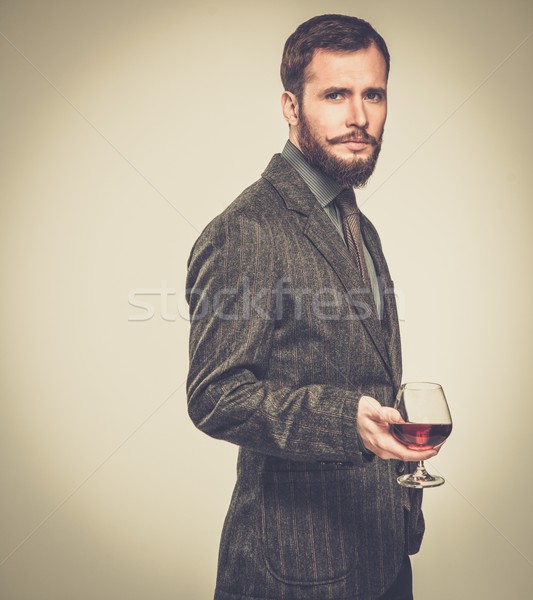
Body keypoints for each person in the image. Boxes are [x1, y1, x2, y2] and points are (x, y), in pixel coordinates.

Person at [186, 14, 441, 600]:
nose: (359, 117)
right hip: (297, 567)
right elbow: (215, 395)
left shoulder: (358, 224)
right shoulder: (248, 228)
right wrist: (343, 418)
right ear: (290, 106)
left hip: (384, 552)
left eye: (372, 94)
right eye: (334, 95)